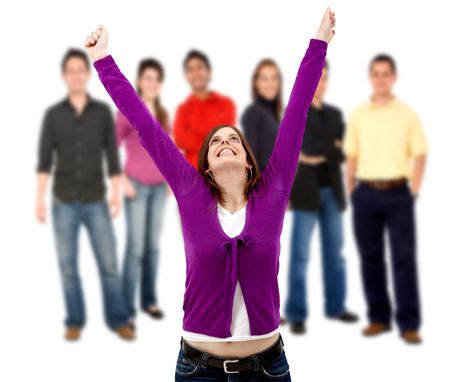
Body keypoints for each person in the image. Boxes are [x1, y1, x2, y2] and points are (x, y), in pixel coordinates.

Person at [84, 7, 334, 379]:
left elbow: (296, 112)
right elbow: (144, 124)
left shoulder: (273, 193)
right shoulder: (190, 193)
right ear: (206, 165)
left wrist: (319, 44)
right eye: (216, 141)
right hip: (197, 368)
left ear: (249, 162)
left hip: (267, 368)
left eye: (233, 139)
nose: (225, 142)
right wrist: (103, 60)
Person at [35, 48, 134, 341]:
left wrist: (115, 194)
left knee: (109, 264)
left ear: (87, 75)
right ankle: (74, 320)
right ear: (65, 76)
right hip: (63, 200)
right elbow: (44, 161)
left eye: (81, 70)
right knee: (68, 266)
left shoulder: (102, 113)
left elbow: (112, 158)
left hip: (95, 199)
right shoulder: (53, 116)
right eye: (71, 71)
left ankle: (119, 320)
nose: (77, 75)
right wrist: (39, 199)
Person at [344, 54, 428, 344]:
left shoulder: (406, 114)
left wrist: (413, 189)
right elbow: (351, 156)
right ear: (371, 78)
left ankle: (409, 323)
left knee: (404, 259)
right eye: (376, 73)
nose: (380, 78)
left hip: (398, 194)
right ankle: (379, 317)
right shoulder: (359, 114)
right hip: (365, 193)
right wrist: (352, 191)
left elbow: (419, 153)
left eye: (385, 74)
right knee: (371, 258)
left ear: (393, 78)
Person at [283, 61, 358, 334]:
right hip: (305, 193)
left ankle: (337, 307)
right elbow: (308, 149)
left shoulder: (336, 115)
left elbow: (343, 151)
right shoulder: (297, 114)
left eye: (325, 78)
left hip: (332, 192)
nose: (320, 84)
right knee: (300, 255)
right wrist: (329, 147)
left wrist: (322, 152)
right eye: (317, 78)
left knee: (335, 254)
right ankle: (296, 312)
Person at [116, 58, 170, 327]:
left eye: (156, 79)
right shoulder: (128, 110)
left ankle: (148, 300)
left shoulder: (162, 114)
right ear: (139, 81)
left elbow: (167, 151)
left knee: (152, 247)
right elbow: (109, 146)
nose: (151, 83)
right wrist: (121, 180)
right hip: (135, 186)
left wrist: (171, 183)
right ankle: (125, 310)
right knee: (135, 248)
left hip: (159, 188)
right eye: (147, 77)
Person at [173, 49, 236, 168]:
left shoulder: (226, 104)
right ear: (186, 76)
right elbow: (180, 140)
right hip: (193, 176)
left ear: (209, 72)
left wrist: (194, 137)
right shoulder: (183, 109)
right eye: (191, 69)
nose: (196, 73)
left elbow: (225, 136)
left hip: (221, 174)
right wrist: (212, 139)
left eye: (199, 67)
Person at [241, 59, 283, 172]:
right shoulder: (253, 113)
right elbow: (251, 160)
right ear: (256, 83)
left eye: (274, 78)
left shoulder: (272, 113)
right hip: (265, 187)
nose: (270, 83)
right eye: (264, 79)